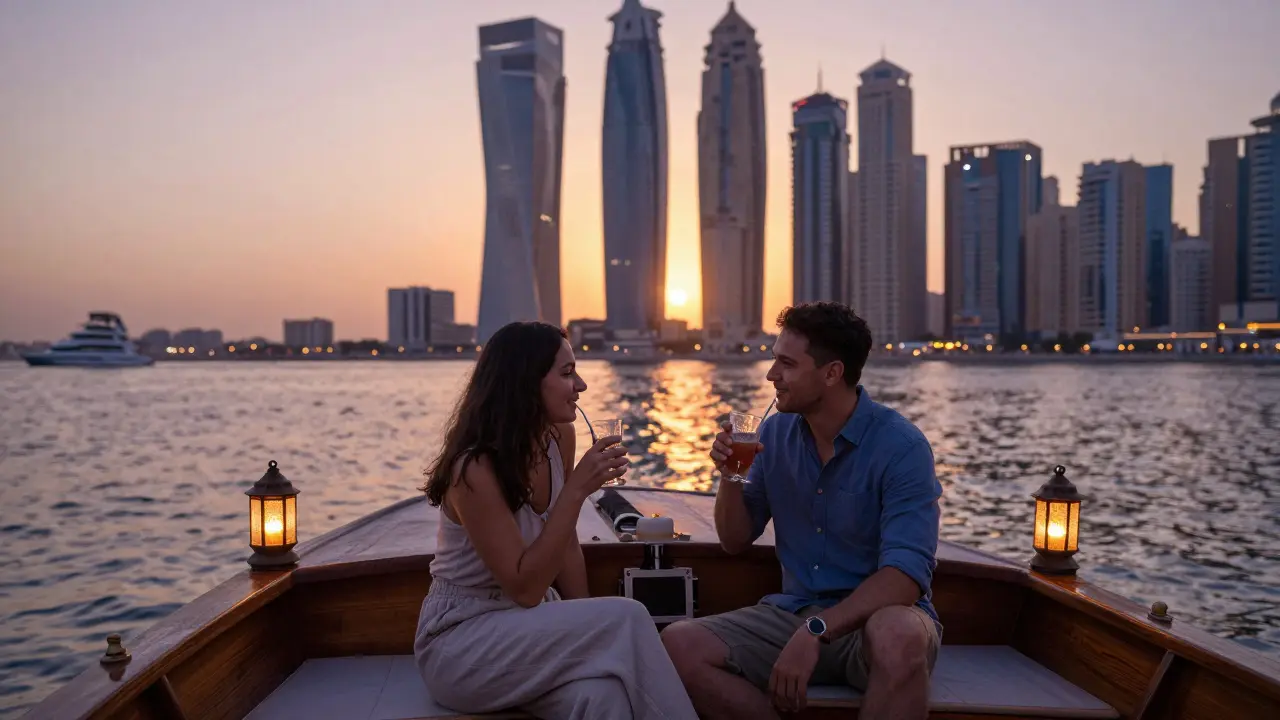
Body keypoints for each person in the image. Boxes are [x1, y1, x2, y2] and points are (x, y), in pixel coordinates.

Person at [661, 302, 943, 720]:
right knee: (677, 645)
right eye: (775, 361)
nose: (772, 375)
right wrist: (729, 476)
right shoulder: (773, 435)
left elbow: (904, 580)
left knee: (898, 633)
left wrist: (818, 630)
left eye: (786, 364)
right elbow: (735, 540)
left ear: (832, 373)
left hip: (875, 623)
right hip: (792, 615)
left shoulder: (902, 448)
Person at [414, 321, 698, 720]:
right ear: (526, 383)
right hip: (463, 640)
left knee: (603, 698)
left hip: (530, 628)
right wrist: (577, 489)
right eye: (567, 373)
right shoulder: (474, 470)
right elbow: (525, 588)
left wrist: (584, 621)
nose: (580, 385)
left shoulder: (559, 437)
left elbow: (563, 541)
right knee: (629, 616)